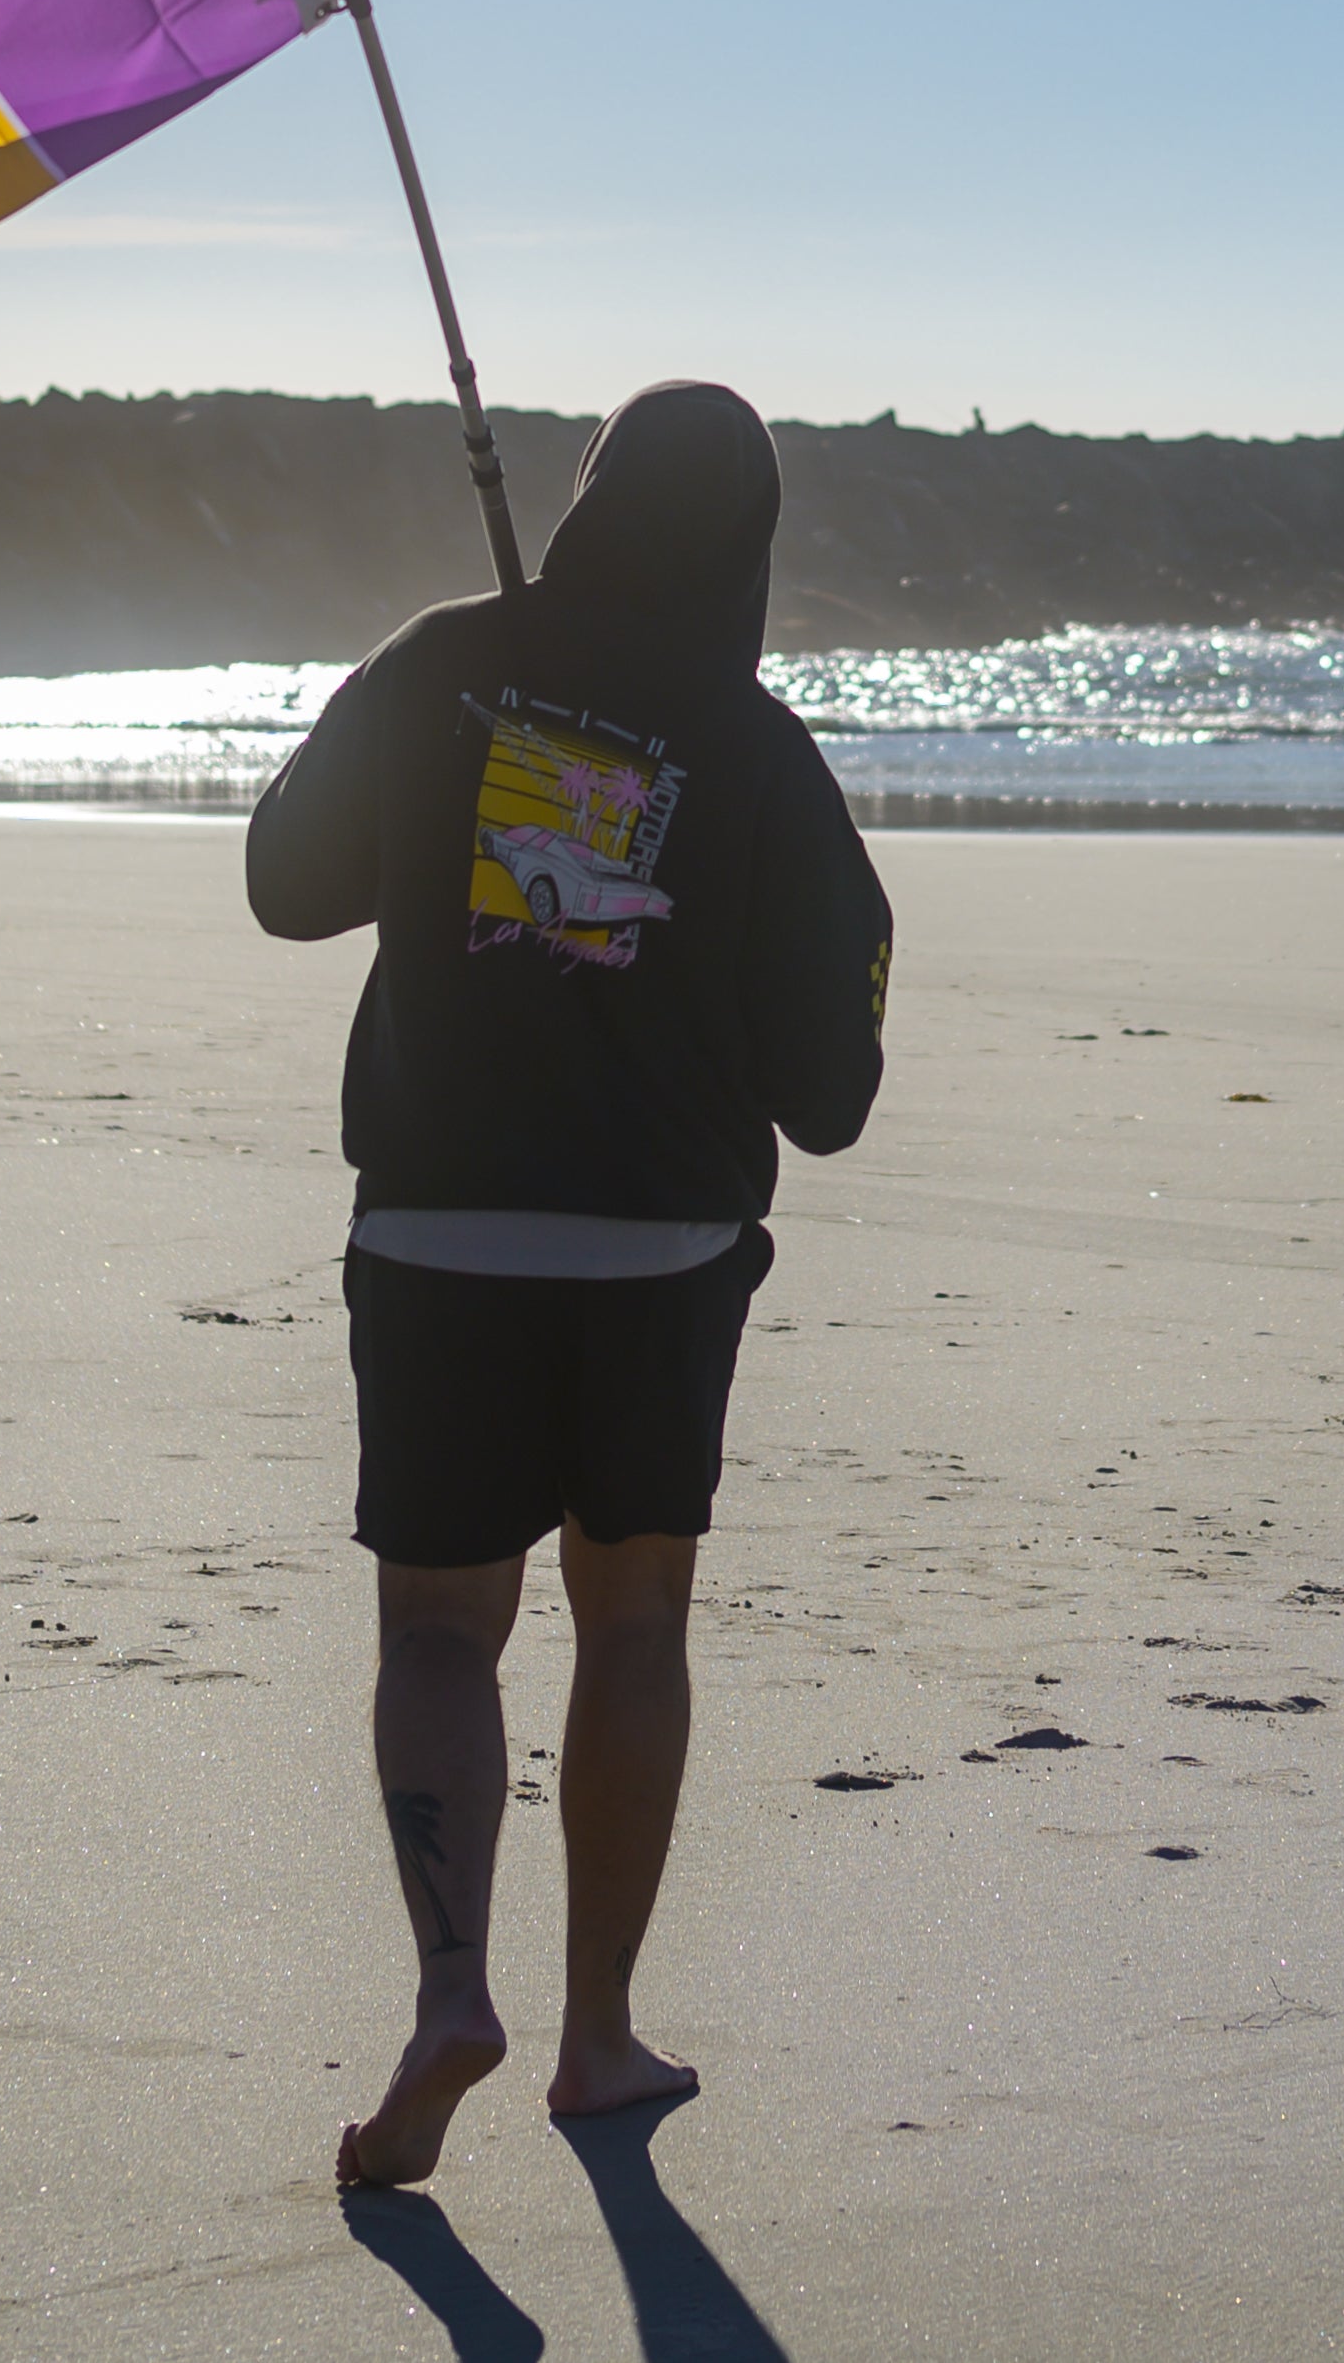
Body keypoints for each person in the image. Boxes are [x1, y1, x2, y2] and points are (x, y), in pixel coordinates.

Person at [244, 380, 889, 2195]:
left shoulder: (444, 659)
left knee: (442, 1631)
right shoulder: (758, 749)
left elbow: (282, 876)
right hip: (661, 1251)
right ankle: (599, 2033)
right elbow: (831, 1093)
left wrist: (469, 762)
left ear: (590, 501)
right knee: (633, 1628)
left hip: (441, 1227)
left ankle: (454, 1985)